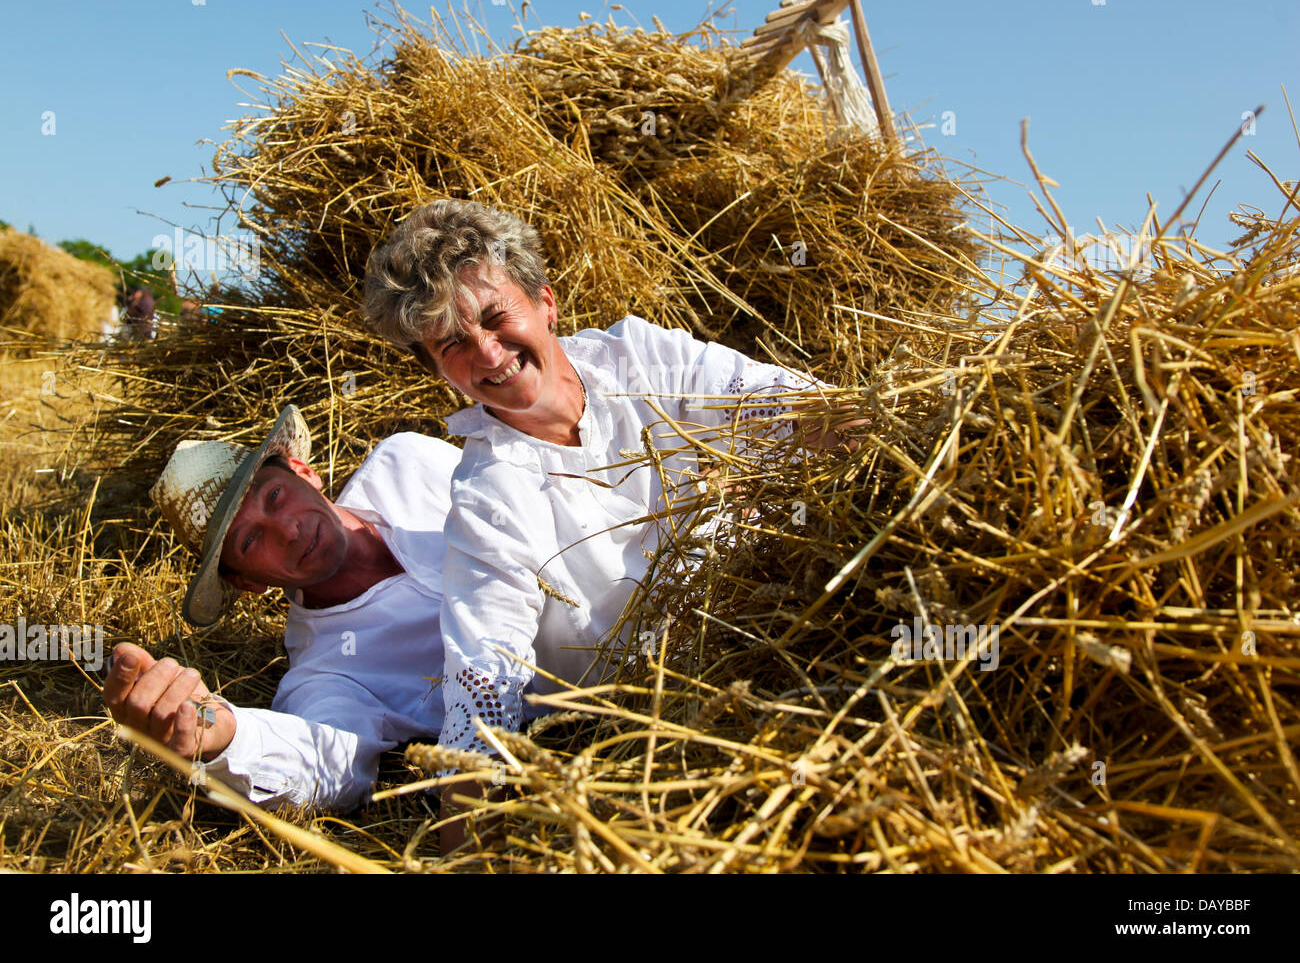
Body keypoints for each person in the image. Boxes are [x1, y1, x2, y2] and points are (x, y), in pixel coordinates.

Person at [363, 201, 847, 782]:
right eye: (453, 345)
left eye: (495, 317)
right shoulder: (488, 498)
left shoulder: (641, 360)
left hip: (776, 622)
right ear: (438, 369)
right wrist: (468, 816)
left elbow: (799, 410)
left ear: (544, 301)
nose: (488, 353)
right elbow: (485, 680)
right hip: (652, 723)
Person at [102, 404, 461, 811]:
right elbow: (322, 762)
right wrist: (225, 738)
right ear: (248, 582)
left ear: (303, 471)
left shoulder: (408, 464)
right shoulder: (327, 670)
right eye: (250, 541)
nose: (288, 530)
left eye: (275, 496)